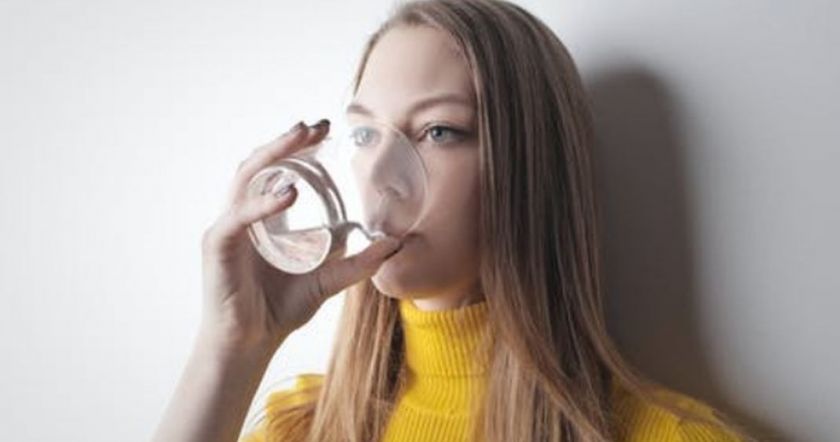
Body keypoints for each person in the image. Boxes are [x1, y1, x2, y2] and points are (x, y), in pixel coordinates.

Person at [152, 0, 753, 441]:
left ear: (528, 167)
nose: (378, 173)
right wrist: (233, 346)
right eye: (364, 134)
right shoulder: (302, 427)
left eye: (438, 131)